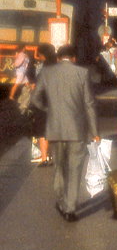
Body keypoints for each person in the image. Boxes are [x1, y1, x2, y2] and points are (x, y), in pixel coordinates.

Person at [29, 44, 100, 222]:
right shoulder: (82, 73)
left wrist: (48, 109)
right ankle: (70, 208)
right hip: (77, 129)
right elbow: (89, 104)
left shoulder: (47, 72)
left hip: (55, 128)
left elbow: (35, 98)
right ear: (74, 58)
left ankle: (61, 200)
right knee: (75, 168)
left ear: (59, 58)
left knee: (59, 167)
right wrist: (94, 131)